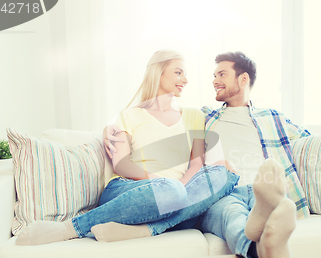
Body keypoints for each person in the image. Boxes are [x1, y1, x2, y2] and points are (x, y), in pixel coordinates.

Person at [101, 51, 321, 258]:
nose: (214, 80)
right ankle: (259, 248)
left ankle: (268, 217)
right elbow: (158, 125)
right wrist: (109, 130)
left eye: (222, 74)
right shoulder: (204, 117)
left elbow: (312, 141)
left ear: (243, 79)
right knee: (230, 215)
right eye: (213, 74)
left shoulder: (273, 117)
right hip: (224, 193)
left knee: (266, 199)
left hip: (266, 188)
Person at [15, 50, 239, 246]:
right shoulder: (129, 115)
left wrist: (178, 192)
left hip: (176, 196)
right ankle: (69, 229)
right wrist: (163, 185)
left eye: (186, 74)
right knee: (175, 195)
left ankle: (145, 229)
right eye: (179, 72)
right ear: (158, 72)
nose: (186, 79)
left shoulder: (194, 116)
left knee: (223, 174)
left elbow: (196, 164)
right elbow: (122, 164)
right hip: (129, 190)